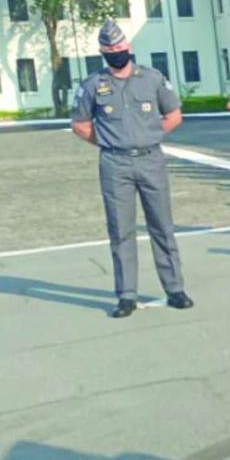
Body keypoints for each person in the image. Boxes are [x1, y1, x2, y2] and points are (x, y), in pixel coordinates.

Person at [70, 19, 193, 317]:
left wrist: (148, 135)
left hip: (151, 159)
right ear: (102, 50)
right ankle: (126, 295)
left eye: (120, 46)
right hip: (115, 163)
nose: (116, 51)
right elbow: (80, 125)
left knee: (162, 226)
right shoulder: (92, 86)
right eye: (110, 48)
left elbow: (174, 115)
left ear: (129, 46)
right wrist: (113, 141)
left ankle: (174, 288)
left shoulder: (151, 79)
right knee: (121, 230)